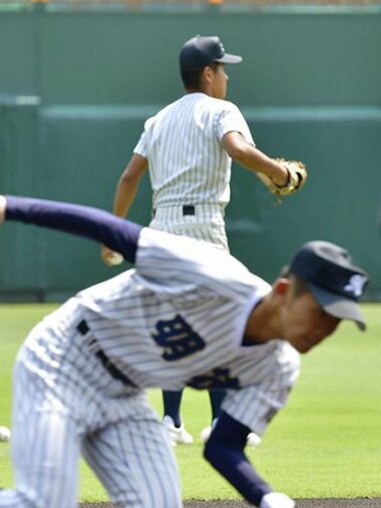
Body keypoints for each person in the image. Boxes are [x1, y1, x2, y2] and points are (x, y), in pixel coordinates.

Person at [0, 177, 367, 508]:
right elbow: (114, 230)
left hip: (125, 393)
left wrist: (273, 500)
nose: (326, 328)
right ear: (285, 290)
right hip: (64, 357)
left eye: (337, 320)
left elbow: (223, 448)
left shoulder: (278, 367)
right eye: (321, 311)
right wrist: (8, 206)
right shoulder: (215, 275)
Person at [101, 35, 303, 447]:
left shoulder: (157, 120)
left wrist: (113, 233)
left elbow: (128, 177)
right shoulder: (220, 110)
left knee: (170, 323)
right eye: (223, 68)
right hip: (203, 228)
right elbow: (239, 149)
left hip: (160, 229)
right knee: (224, 321)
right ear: (208, 74)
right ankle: (219, 424)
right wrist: (278, 172)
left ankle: (171, 421)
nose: (227, 76)